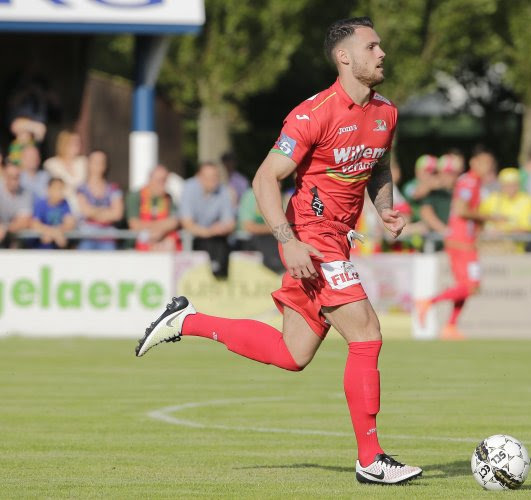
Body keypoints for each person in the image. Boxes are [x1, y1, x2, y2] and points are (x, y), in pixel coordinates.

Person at [135, 17, 422, 484]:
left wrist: (385, 208)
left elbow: (379, 165)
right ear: (344, 57)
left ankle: (185, 320)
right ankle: (370, 460)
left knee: (293, 353)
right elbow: (265, 178)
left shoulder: (386, 112)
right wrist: (287, 241)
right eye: (372, 47)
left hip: (339, 241)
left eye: (381, 46)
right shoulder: (313, 114)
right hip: (314, 237)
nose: (382, 53)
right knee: (367, 334)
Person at [415, 149, 498, 339]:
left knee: (466, 286)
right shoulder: (469, 182)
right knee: (472, 286)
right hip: (461, 241)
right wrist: (489, 217)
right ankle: (428, 302)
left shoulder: (473, 182)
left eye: (490, 163)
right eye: (484, 162)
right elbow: (461, 210)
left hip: (464, 240)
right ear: (474, 162)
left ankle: (450, 326)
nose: (488, 167)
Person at [180, 161, 236, 278]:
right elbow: (187, 223)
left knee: (220, 243)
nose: (212, 180)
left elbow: (230, 223)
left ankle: (218, 273)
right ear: (198, 177)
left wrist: (219, 228)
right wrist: (210, 231)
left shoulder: (223, 190)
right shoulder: (189, 188)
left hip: (216, 239)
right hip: (194, 239)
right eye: (208, 177)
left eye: (215, 176)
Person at [480, 167, 531, 254]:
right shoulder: (493, 199)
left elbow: (527, 229)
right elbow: (479, 218)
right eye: (506, 185)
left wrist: (502, 232)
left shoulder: (526, 201)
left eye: (514, 184)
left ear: (519, 185)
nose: (510, 188)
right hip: (489, 248)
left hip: (514, 250)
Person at [76, 150, 124, 250]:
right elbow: (86, 212)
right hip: (87, 235)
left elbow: (117, 214)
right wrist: (106, 210)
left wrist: (94, 211)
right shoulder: (81, 188)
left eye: (101, 161)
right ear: (88, 164)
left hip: (108, 236)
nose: (98, 165)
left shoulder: (113, 188)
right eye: (95, 161)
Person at [127, 165, 181, 252]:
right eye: (160, 180)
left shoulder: (168, 198)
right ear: (150, 180)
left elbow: (173, 222)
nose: (163, 184)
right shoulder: (136, 196)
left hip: (162, 242)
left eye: (165, 180)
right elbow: (134, 224)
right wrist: (157, 229)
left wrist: (158, 231)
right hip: (139, 243)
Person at [418, 153, 461, 250]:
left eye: (453, 172)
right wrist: (446, 231)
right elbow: (426, 214)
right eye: (446, 172)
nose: (449, 176)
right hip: (436, 244)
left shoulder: (461, 191)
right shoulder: (433, 192)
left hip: (457, 244)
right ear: (439, 172)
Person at [237, 187, 285, 272]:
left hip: (273, 236)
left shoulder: (280, 195)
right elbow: (248, 227)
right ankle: (276, 264)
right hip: (251, 238)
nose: (278, 184)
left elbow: (284, 226)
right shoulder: (250, 196)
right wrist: (274, 229)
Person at [43, 130, 87, 213]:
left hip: (82, 206)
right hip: (61, 206)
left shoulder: (83, 162)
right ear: (64, 144)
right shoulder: (51, 164)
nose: (78, 146)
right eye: (74, 143)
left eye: (78, 143)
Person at [31, 177, 76, 249]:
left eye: (62, 189)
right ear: (49, 189)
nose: (60, 192)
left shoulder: (65, 203)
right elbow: (35, 224)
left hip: (58, 248)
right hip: (41, 249)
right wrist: (54, 233)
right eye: (57, 188)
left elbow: (70, 223)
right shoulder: (40, 204)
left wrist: (56, 232)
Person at [0, 162, 33, 247]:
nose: (13, 180)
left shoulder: (25, 193)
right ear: (4, 176)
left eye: (16, 177)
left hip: (14, 238)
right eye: (10, 176)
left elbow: (24, 221)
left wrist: (5, 228)